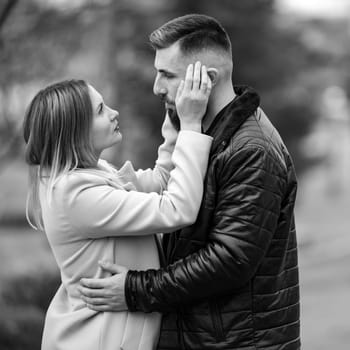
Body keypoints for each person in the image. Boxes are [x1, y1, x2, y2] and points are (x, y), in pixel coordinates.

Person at [79, 14, 301, 350]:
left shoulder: (252, 149)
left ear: (206, 79)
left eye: (167, 75)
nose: (157, 87)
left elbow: (229, 260)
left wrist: (134, 290)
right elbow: (166, 192)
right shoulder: (202, 136)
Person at [23, 66, 213, 350]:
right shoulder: (75, 193)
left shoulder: (90, 173)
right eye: (100, 110)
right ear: (75, 130)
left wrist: (174, 113)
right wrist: (192, 125)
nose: (114, 113)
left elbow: (162, 182)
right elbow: (177, 208)